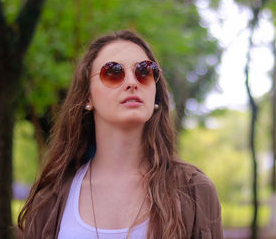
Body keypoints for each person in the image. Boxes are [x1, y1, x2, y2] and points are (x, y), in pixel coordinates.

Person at [17, 30, 223, 239]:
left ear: (156, 93)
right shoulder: (51, 198)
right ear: (88, 95)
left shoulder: (194, 190)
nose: (132, 82)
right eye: (113, 72)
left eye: (144, 71)